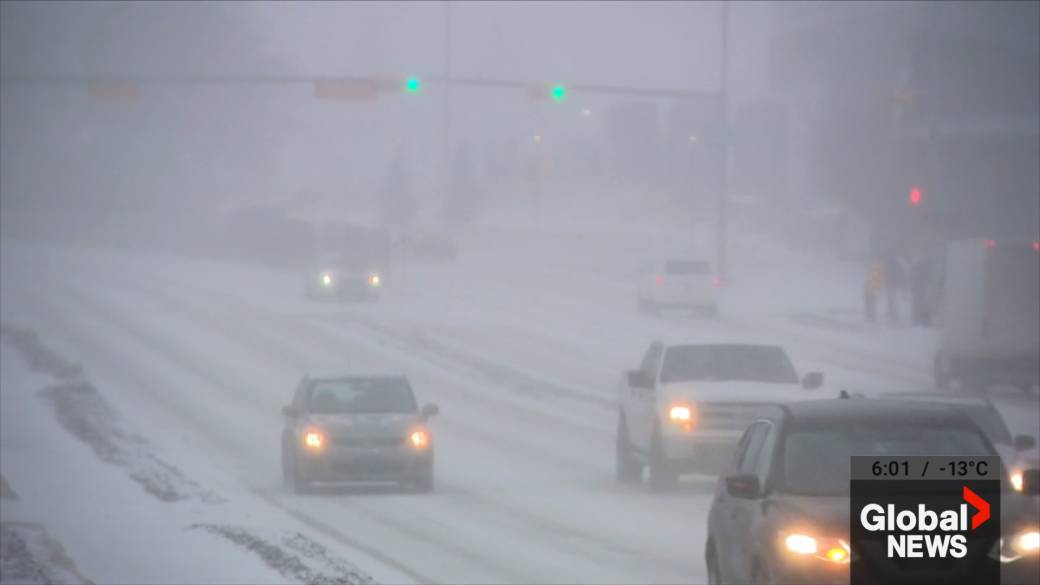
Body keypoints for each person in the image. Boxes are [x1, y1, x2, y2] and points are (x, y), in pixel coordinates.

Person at [864, 258, 885, 323]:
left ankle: (871, 316)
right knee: (872, 303)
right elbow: (879, 281)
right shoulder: (878, 270)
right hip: (871, 289)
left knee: (870, 303)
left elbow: (871, 280)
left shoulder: (875, 270)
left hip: (871, 289)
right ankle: (871, 316)